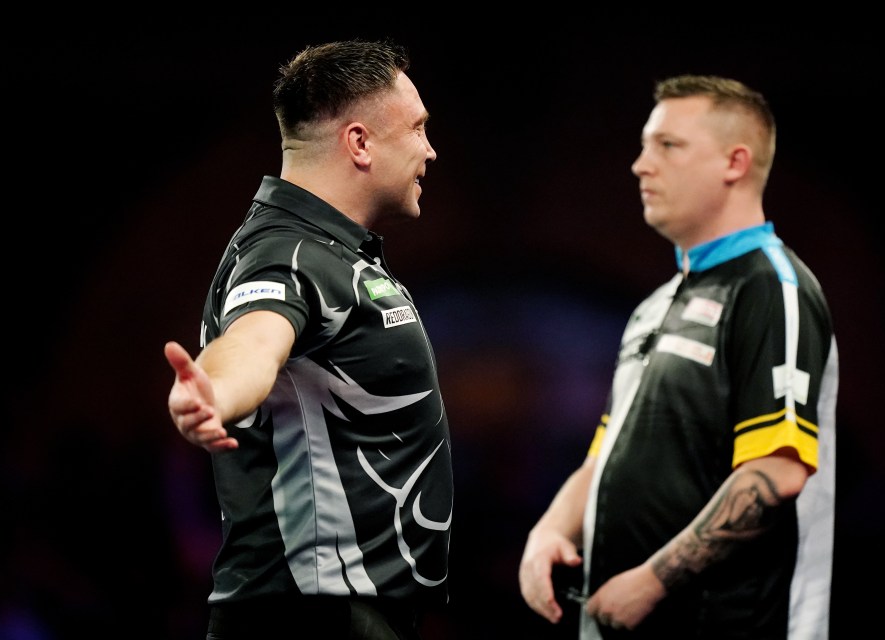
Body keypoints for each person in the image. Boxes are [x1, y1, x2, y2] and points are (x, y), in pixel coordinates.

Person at [519, 74, 838, 639]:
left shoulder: (772, 286)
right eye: (645, 145)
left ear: (734, 163)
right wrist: (547, 530)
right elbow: (604, 456)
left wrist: (650, 581)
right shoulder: (655, 306)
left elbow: (778, 471)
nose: (641, 165)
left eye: (667, 145)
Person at [164, 39, 453, 640]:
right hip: (309, 615)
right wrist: (212, 392)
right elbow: (253, 341)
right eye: (419, 128)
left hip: (342, 611)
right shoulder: (285, 254)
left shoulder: (329, 251)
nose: (431, 149)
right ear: (360, 143)